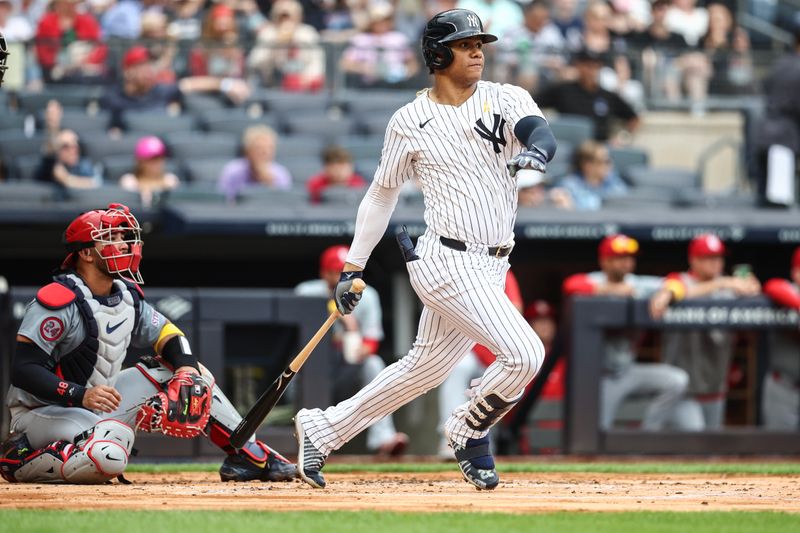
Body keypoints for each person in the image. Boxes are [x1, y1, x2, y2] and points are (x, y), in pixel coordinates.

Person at [293, 8, 556, 491]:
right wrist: (353, 266)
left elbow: (539, 131)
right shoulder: (410, 120)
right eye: (465, 44)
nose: (478, 50)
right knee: (523, 354)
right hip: (445, 261)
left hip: (495, 262)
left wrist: (539, 150)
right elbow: (381, 194)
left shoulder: (505, 96)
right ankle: (467, 429)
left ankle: (322, 429)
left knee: (423, 370)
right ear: (438, 54)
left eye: (480, 43)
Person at [0, 203, 297, 484]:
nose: (124, 244)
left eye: (124, 237)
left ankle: (251, 456)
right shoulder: (57, 300)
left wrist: (185, 372)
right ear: (87, 253)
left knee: (195, 377)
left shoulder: (127, 295)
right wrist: (81, 395)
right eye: (111, 238)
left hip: (97, 406)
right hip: (42, 412)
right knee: (109, 454)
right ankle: (20, 459)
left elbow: (170, 335)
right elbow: (24, 370)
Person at [562, 234, 689, 430]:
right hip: (599, 377)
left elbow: (677, 281)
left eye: (629, 258)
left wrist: (666, 293)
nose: (626, 263)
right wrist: (609, 290)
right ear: (605, 260)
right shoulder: (594, 280)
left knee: (677, 380)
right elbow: (571, 285)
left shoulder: (637, 284)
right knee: (596, 431)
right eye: (619, 258)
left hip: (628, 370)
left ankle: (648, 435)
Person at [295, 245, 409, 455]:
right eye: (335, 272)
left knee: (374, 364)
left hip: (347, 368)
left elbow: (371, 343)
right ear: (324, 273)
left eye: (345, 272)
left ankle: (383, 439)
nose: (342, 278)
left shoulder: (366, 295)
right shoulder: (306, 292)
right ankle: (295, 440)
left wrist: (352, 330)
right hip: (310, 369)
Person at [649, 233, 761, 430]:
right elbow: (675, 289)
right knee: (694, 440)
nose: (715, 263)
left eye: (718, 257)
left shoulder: (732, 287)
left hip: (716, 386)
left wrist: (751, 291)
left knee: (711, 450)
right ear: (693, 260)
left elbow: (752, 327)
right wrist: (722, 283)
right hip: (683, 388)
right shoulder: (679, 281)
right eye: (708, 258)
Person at [436, 270, 523, 458]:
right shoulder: (460, 269)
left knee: (507, 374)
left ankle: (480, 443)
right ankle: (449, 440)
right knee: (459, 366)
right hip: (469, 347)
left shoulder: (501, 271)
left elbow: (516, 311)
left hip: (497, 351)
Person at [102, 45, 250, 132]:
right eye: (141, 66)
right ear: (128, 71)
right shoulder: (114, 98)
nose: (148, 71)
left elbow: (191, 84)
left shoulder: (160, 91)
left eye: (149, 65)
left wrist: (226, 84)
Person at [535, 47, 639, 143]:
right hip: (569, 145)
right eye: (587, 66)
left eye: (595, 66)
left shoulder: (608, 96)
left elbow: (634, 118)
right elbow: (532, 103)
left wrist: (622, 138)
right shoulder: (562, 90)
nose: (591, 71)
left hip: (598, 148)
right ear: (578, 66)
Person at [761, 246, 800, 429]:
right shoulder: (788, 290)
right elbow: (772, 286)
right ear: (795, 272)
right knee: (778, 453)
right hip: (784, 385)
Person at [217, 125, 292, 203]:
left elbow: (284, 204)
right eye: (259, 148)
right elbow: (224, 202)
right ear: (247, 151)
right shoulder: (232, 171)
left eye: (270, 148)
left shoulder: (281, 173)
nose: (265, 152)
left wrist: (270, 183)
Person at [556, 140, 628, 210]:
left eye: (609, 161)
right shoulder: (570, 186)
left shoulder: (613, 182)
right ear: (588, 165)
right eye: (604, 161)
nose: (609, 165)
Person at [119, 136, 180, 208]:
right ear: (140, 161)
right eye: (151, 159)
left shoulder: (170, 181)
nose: (156, 163)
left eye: (159, 158)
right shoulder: (130, 181)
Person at [34, 129, 101, 194]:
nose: (72, 151)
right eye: (66, 147)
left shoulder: (84, 165)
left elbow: (95, 183)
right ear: (57, 150)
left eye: (75, 146)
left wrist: (67, 179)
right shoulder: (51, 166)